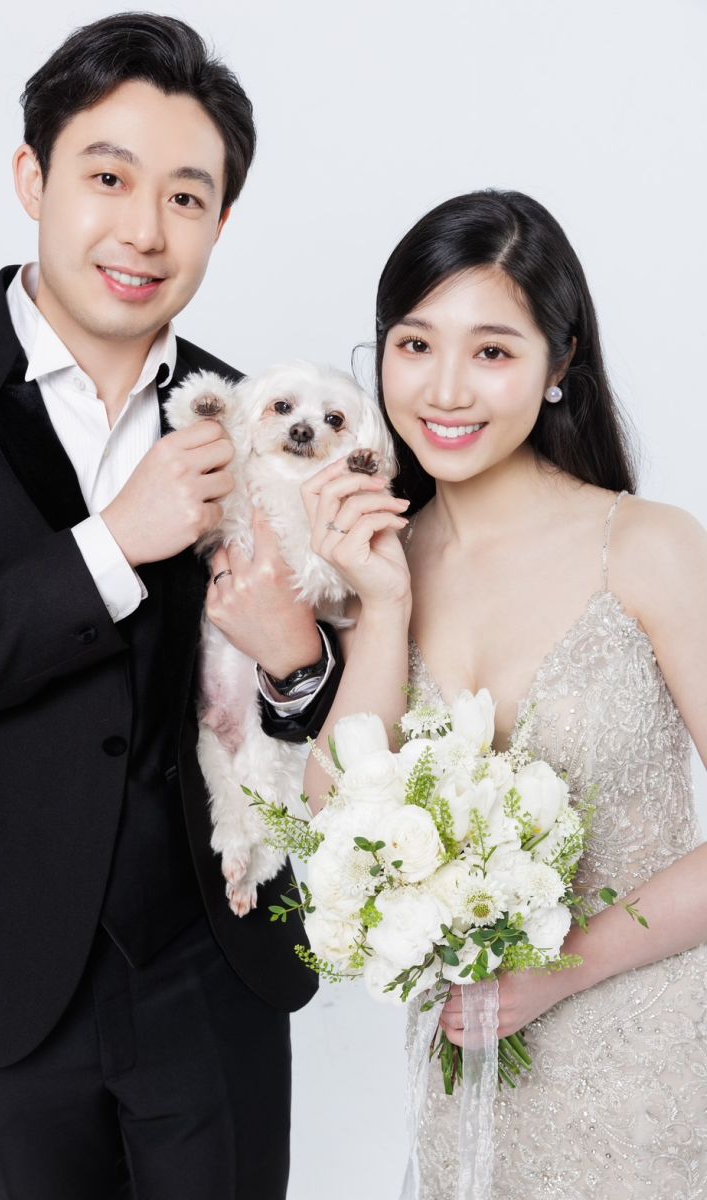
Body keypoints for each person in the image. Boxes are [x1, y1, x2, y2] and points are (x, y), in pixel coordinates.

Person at [0, 13, 341, 1199]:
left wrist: (299, 666)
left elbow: (328, 697)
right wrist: (110, 546)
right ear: (32, 178)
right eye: (108, 178)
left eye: (186, 197)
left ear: (221, 222)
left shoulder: (263, 418)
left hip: (213, 956)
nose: (145, 230)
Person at [302, 189, 707, 1198]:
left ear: (559, 364)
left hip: (648, 1070)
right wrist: (382, 607)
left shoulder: (646, 547)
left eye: (491, 351)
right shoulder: (375, 565)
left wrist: (562, 968)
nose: (445, 389)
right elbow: (333, 824)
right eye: (414, 344)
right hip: (464, 1083)